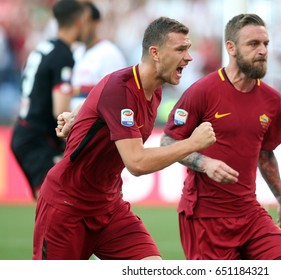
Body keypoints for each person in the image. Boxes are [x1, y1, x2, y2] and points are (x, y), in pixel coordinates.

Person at [33, 16, 216, 260]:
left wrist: (77, 116)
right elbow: (137, 162)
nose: (189, 57)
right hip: (67, 208)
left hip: (109, 208)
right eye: (181, 49)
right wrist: (192, 144)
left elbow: (101, 95)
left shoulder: (153, 89)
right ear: (156, 53)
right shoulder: (121, 88)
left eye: (189, 49)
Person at [160, 13, 281, 260]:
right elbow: (167, 141)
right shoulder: (203, 91)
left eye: (265, 44)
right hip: (206, 216)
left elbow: (265, 153)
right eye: (253, 44)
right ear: (231, 48)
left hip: (250, 213)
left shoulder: (272, 101)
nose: (262, 51)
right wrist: (205, 163)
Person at [10, 0, 87, 200]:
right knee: (57, 205)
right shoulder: (63, 55)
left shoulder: (43, 47)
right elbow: (59, 110)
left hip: (26, 131)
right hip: (37, 139)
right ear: (80, 22)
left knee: (54, 206)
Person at [70, 1, 127, 111]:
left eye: (84, 22)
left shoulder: (109, 53)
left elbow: (114, 97)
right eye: (78, 22)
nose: (80, 27)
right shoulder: (77, 53)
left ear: (96, 23)